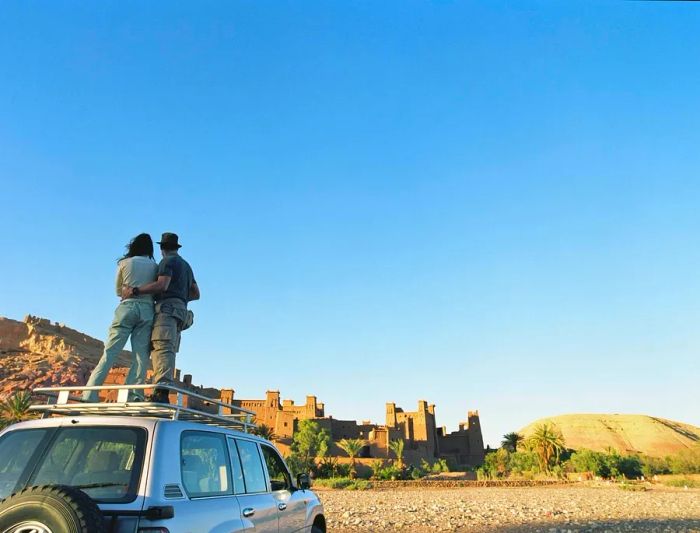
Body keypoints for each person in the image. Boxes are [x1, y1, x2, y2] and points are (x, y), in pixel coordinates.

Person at [122, 232, 199, 403]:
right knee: (168, 347)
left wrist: (135, 291)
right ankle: (160, 389)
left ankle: (161, 393)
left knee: (162, 348)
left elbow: (162, 285)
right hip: (180, 311)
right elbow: (196, 293)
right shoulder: (186, 266)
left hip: (167, 309)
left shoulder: (167, 262)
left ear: (162, 248)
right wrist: (181, 297)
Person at [83, 233, 158, 402]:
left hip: (127, 307)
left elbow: (118, 291)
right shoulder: (155, 267)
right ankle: (133, 395)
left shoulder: (124, 263)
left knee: (110, 352)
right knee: (140, 356)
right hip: (147, 309)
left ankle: (89, 393)